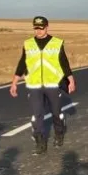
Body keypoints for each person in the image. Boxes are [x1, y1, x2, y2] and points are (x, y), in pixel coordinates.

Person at [10, 16, 76, 155]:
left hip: (53, 84)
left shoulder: (56, 43)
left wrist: (71, 79)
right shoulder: (28, 44)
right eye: (36, 28)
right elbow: (22, 63)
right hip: (34, 86)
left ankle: (59, 133)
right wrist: (14, 83)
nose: (38, 31)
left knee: (56, 113)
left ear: (47, 27)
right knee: (37, 115)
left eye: (41, 28)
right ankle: (40, 142)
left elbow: (64, 62)